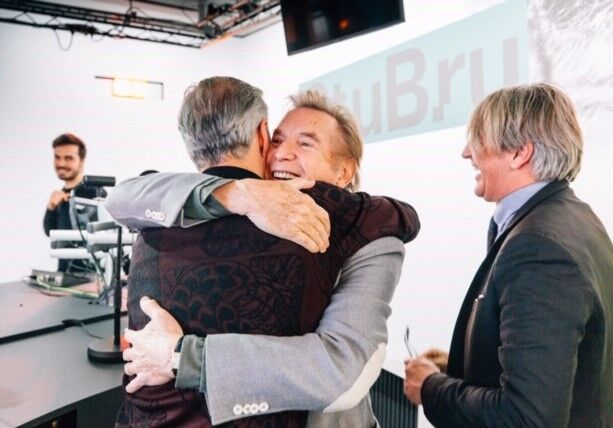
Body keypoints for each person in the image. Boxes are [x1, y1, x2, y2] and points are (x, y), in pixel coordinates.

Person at [111, 77, 420, 427]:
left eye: (306, 143)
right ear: (261, 139)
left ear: (344, 170)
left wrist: (185, 356)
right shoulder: (241, 206)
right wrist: (236, 194)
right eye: (277, 140)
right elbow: (123, 198)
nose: (282, 153)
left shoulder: (365, 232)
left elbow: (339, 370)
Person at [403, 83, 613, 427]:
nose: (467, 153)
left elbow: (526, 417)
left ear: (520, 153)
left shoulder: (538, 248)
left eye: (479, 140)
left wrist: (432, 389)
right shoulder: (575, 220)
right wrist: (460, 368)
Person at [43, 133, 106, 272]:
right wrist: (51, 207)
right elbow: (50, 232)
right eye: (57, 157)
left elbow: (108, 237)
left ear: (81, 160)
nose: (61, 164)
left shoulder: (94, 193)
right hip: (65, 275)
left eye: (68, 158)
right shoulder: (60, 195)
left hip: (91, 276)